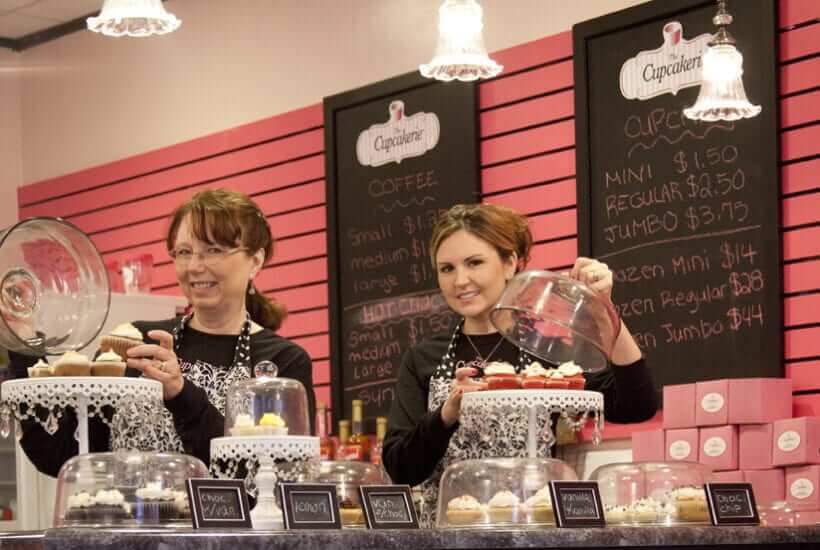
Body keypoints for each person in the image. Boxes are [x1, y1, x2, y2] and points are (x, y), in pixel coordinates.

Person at [382, 203, 658, 527]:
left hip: (531, 534)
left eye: (474, 263)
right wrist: (447, 414)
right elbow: (401, 467)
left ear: (510, 262)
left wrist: (603, 308)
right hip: (449, 539)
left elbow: (637, 404)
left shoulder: (545, 354)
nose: (460, 280)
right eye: (447, 269)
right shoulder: (423, 359)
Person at [8, 188, 315, 476]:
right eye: (183, 251)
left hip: (224, 535)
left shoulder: (282, 362)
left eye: (213, 250)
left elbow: (274, 483)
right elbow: (61, 455)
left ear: (255, 260)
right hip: (128, 532)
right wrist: (22, 338)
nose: (194, 266)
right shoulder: (134, 344)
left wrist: (182, 395)